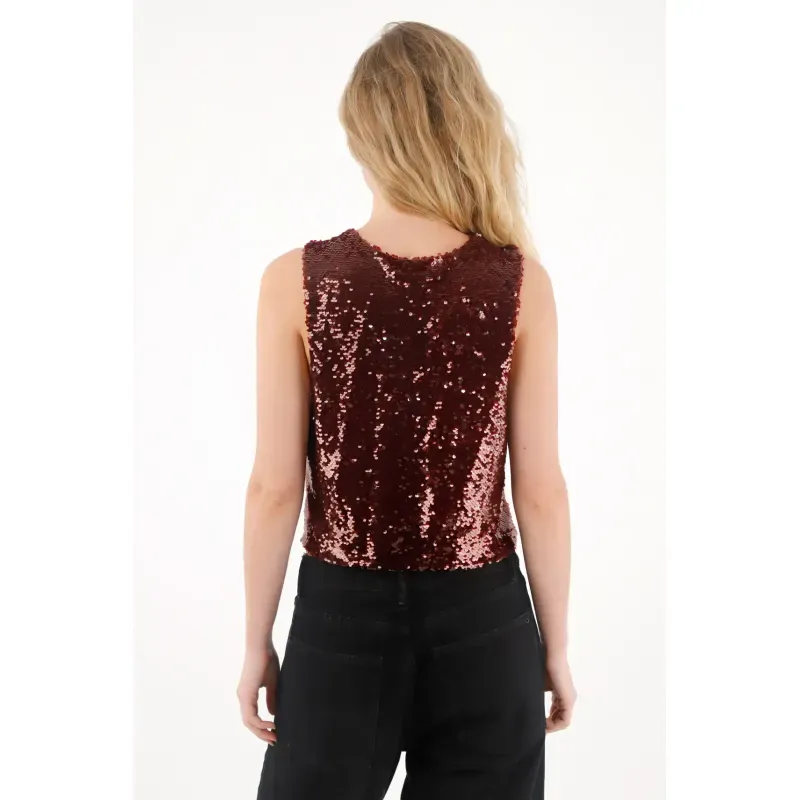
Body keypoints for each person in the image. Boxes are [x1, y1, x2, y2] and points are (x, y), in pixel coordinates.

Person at [236, 20, 575, 800]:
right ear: (467, 125)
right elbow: (541, 490)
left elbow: (274, 488)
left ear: (362, 135)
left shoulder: (293, 281)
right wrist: (554, 647)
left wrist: (256, 641)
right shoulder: (521, 284)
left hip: (340, 620)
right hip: (486, 622)